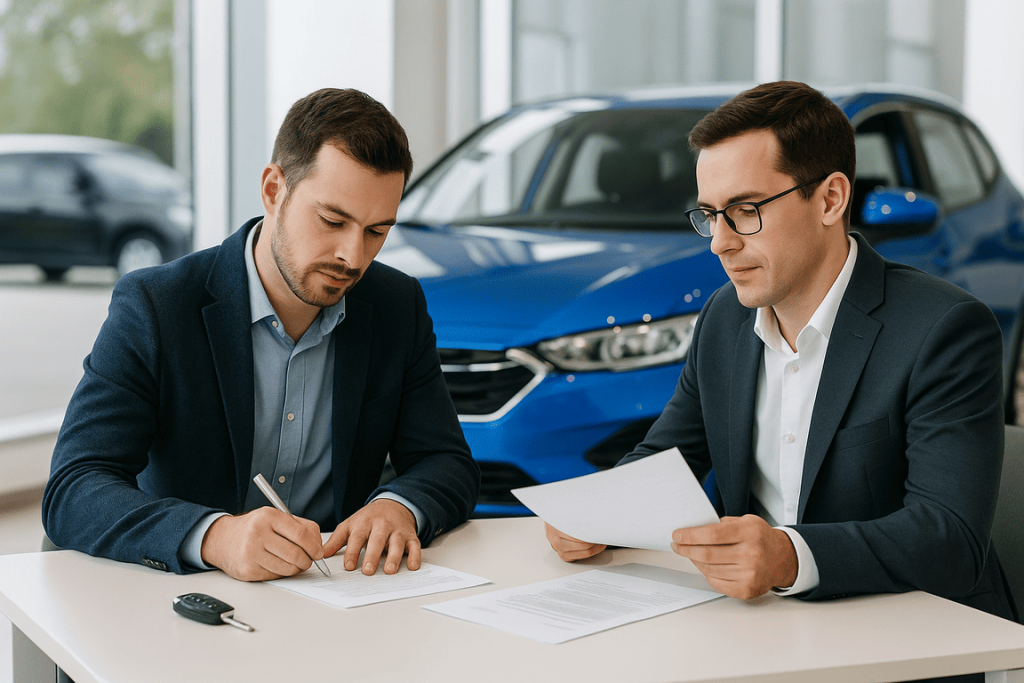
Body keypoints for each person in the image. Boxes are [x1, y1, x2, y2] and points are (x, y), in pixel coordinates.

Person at [544, 81, 1015, 624]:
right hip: (763, 627)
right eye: (709, 215)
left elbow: (949, 538)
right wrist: (596, 511)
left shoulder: (943, 329)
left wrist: (789, 557)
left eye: (745, 209)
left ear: (831, 199)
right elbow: (667, 457)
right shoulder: (724, 317)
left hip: (911, 634)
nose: (720, 241)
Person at [43, 87, 480, 582]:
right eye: (332, 220)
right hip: (191, 606)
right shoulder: (157, 306)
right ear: (274, 190)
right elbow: (74, 489)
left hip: (340, 604)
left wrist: (400, 505)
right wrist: (213, 535)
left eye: (376, 231)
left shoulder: (396, 304)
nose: (353, 257)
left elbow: (446, 461)